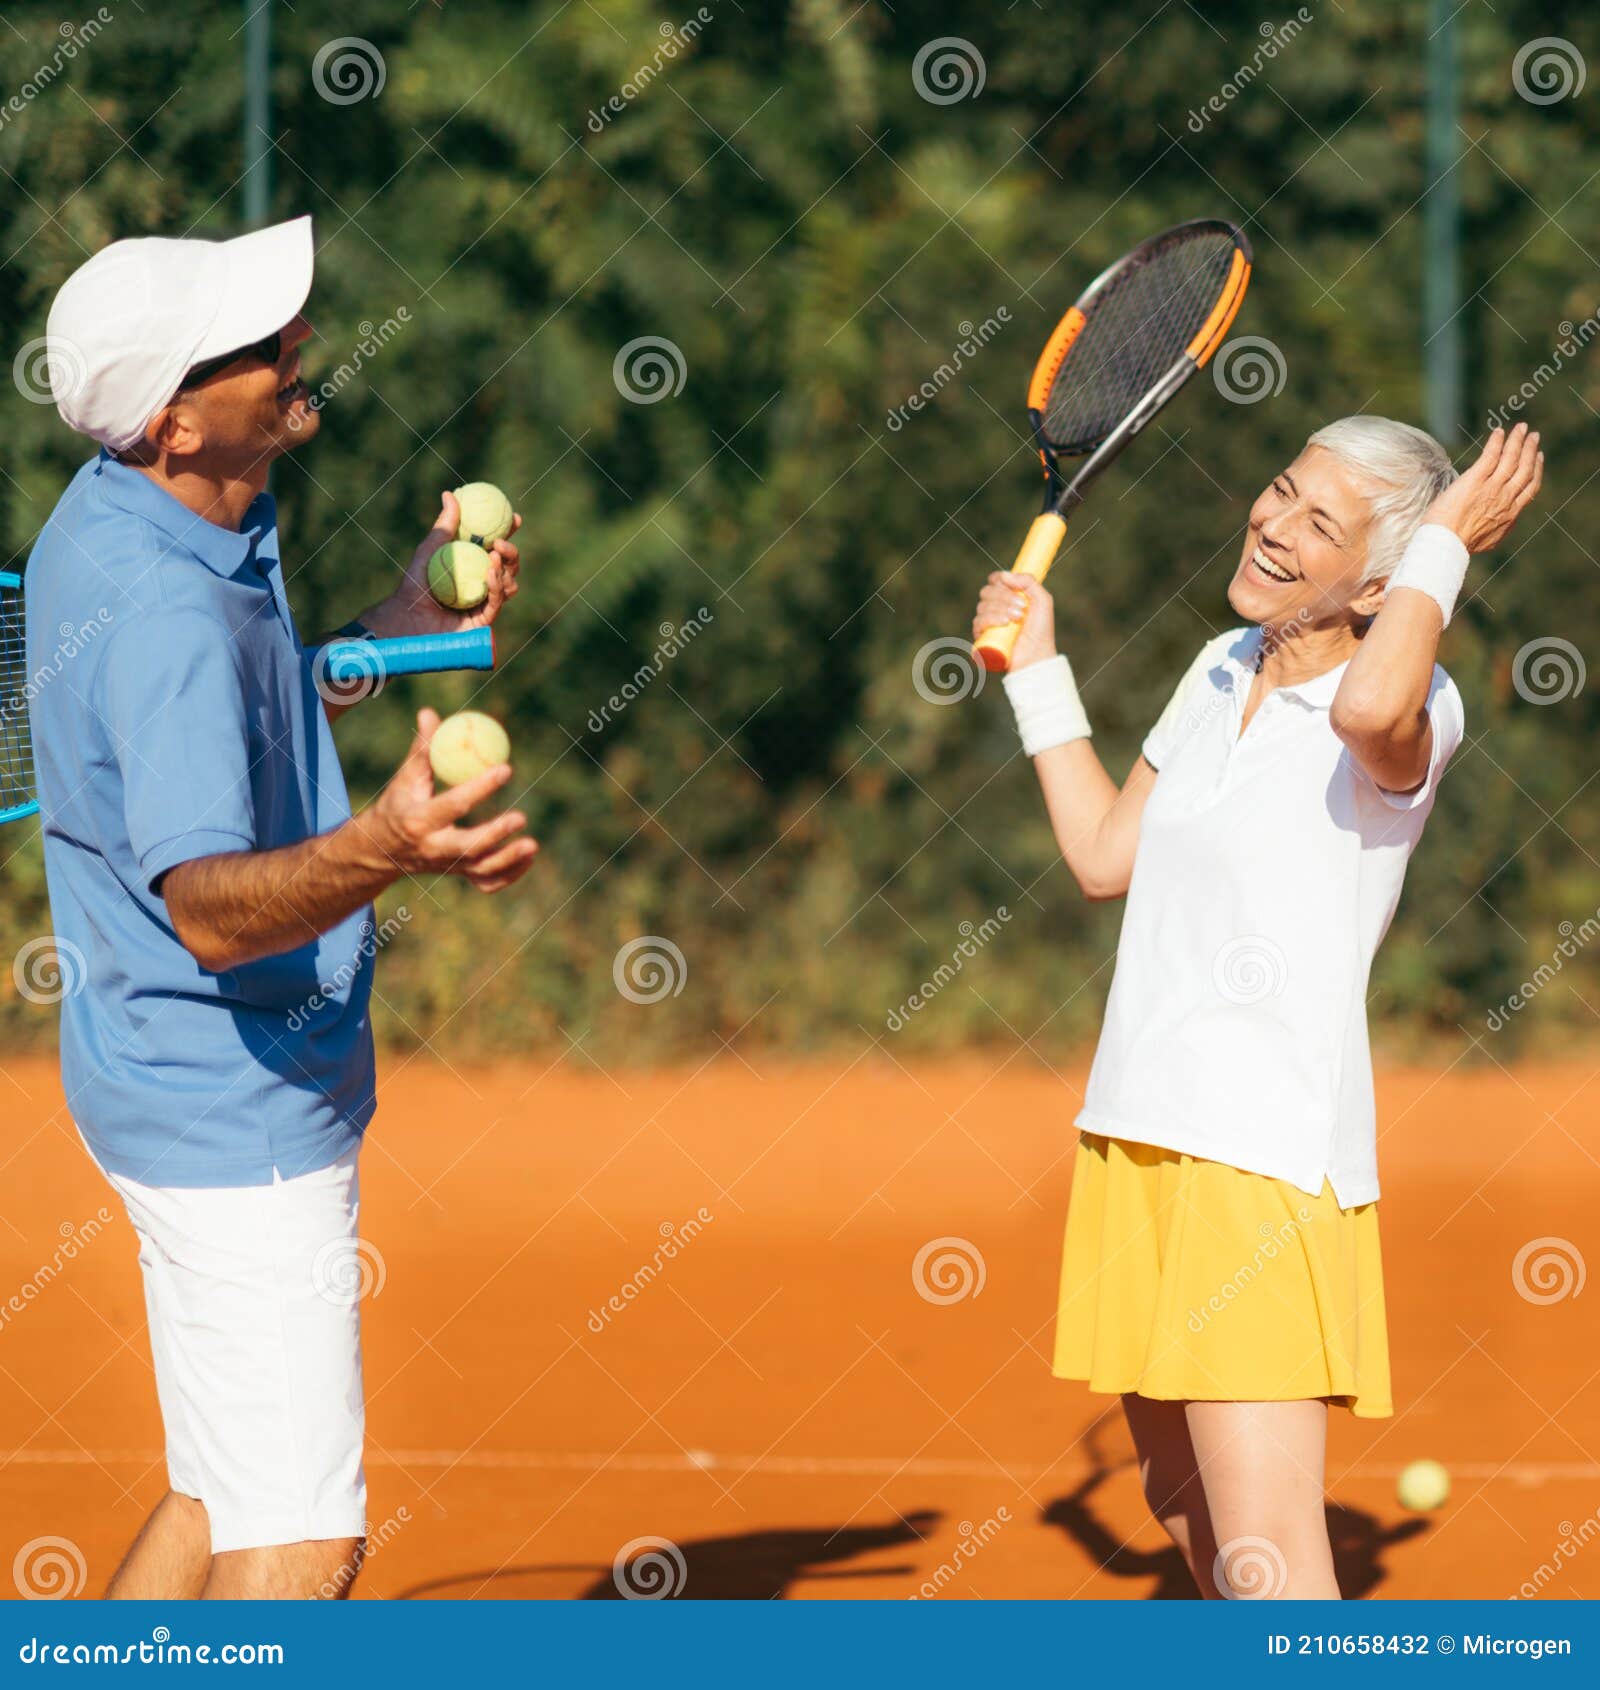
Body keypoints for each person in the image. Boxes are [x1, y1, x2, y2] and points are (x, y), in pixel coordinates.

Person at [25, 215, 537, 1599]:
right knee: (304, 1538)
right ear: (172, 419)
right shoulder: (164, 609)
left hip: (154, 1073)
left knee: (217, 1490)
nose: (296, 343)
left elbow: (257, 711)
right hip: (232, 1111)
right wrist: (385, 843)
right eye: (252, 345)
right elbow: (206, 908)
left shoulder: (152, 515)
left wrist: (408, 612)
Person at [972, 416, 1542, 1599]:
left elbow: (1363, 714)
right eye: (1281, 489)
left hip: (1259, 1166)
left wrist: (1443, 546)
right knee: (1190, 1528)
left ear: (1382, 580)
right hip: (1137, 1134)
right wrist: (1038, 673)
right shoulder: (1220, 666)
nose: (1273, 522)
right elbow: (1099, 855)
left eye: (1318, 523)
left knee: (1271, 1571)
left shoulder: (1416, 703)